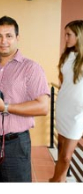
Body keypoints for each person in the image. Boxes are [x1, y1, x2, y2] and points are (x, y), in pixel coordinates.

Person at [0, 16, 50, 182]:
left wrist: (5, 107)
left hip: (15, 144)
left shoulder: (31, 68)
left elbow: (43, 107)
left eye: (8, 36)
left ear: (17, 38)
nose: (3, 41)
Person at [50, 20, 83, 182]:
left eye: (69, 34)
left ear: (79, 35)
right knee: (61, 149)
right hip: (63, 106)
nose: (66, 38)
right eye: (65, 34)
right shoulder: (67, 55)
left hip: (79, 113)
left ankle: (55, 182)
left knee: (66, 157)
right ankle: (58, 181)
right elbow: (64, 82)